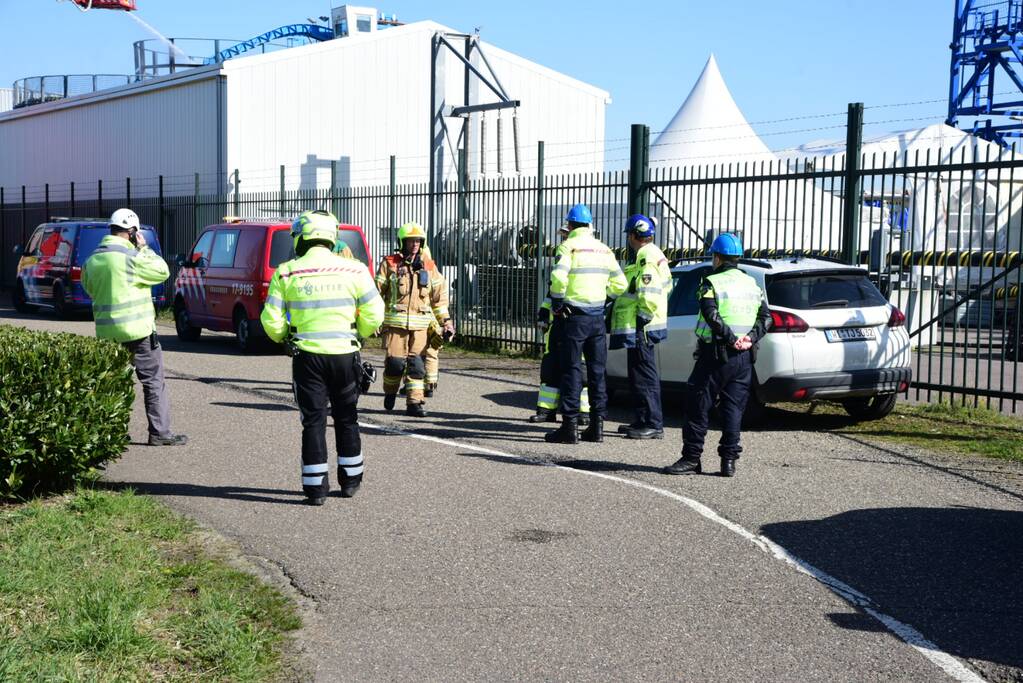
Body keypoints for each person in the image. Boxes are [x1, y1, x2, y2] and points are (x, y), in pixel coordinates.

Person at [260, 210, 384, 505]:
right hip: (345, 354)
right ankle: (351, 481)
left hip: (307, 358)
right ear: (331, 237)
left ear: (302, 237)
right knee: (347, 418)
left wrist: (284, 337)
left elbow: (271, 320)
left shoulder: (287, 271)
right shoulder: (355, 270)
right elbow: (374, 312)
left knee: (313, 421)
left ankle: (316, 489)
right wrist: (359, 334)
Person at [663, 233, 770, 477]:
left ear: (717, 257)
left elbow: (711, 314)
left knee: (698, 404)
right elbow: (767, 318)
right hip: (744, 357)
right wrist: (749, 338)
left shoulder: (711, 283)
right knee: (733, 409)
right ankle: (728, 462)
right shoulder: (752, 285)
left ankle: (691, 459)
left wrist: (730, 338)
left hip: (715, 354)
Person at [82, 208, 187, 447]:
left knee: (112, 382)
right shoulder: (132, 258)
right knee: (152, 382)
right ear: (131, 232)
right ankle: (159, 433)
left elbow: (89, 288)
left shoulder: (92, 260)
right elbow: (163, 271)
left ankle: (113, 434)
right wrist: (144, 248)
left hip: (107, 333)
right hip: (139, 332)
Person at [545, 203, 628, 444]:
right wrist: (605, 301)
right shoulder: (604, 250)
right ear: (590, 225)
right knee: (597, 372)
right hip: (596, 319)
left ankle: (569, 427)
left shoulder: (568, 246)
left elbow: (558, 278)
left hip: (574, 317)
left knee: (571, 370)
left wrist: (558, 303)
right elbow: (620, 284)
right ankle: (597, 426)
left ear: (569, 225)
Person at [375, 222, 454, 417]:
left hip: (420, 327)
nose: (415, 244)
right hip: (395, 326)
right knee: (395, 364)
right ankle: (390, 392)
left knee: (417, 365)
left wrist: (446, 322)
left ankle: (415, 403)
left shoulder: (429, 266)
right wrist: (375, 319)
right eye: (411, 241)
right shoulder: (389, 263)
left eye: (418, 241)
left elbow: (438, 300)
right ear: (402, 242)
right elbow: (375, 294)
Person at [610, 214, 671, 439]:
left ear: (635, 234)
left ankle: (653, 423)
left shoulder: (646, 256)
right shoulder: (653, 255)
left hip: (643, 325)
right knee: (638, 374)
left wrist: (643, 317)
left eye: (629, 234)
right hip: (644, 324)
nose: (628, 239)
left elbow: (650, 291)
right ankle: (642, 420)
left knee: (644, 375)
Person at [530, 224, 590, 425]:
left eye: (566, 234)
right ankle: (546, 410)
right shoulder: (563, 254)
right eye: (563, 235)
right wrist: (545, 311)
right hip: (558, 324)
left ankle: (583, 413)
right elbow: (553, 290)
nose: (564, 238)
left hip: (576, 321)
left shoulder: (585, 257)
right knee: (551, 367)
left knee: (579, 369)